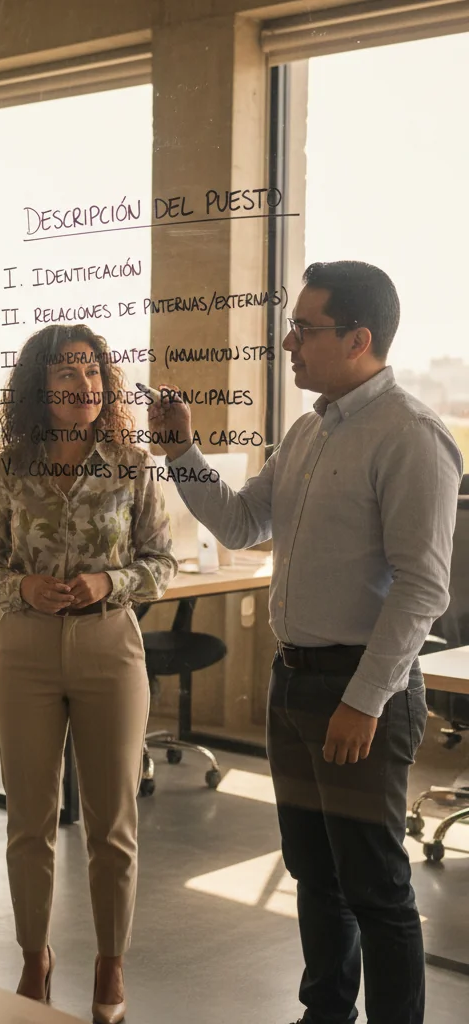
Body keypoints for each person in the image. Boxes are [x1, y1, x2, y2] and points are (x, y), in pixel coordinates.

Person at [149, 260, 461, 1024]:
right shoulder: (310, 429)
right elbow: (245, 525)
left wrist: (363, 701)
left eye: (304, 327)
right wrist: (183, 453)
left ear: (358, 338)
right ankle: (327, 1013)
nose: (288, 341)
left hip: (361, 691)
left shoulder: (412, 438)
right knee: (313, 873)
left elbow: (424, 590)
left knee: (375, 886)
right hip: (294, 686)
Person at [0, 323, 176, 1024]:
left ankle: (110, 964)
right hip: (24, 651)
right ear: (40, 385)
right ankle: (36, 955)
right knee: (29, 821)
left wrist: (108, 584)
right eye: (67, 374)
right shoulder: (10, 468)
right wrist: (20, 590)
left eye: (93, 374)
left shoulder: (132, 464)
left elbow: (161, 563)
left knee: (112, 823)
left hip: (109, 650)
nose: (84, 387)